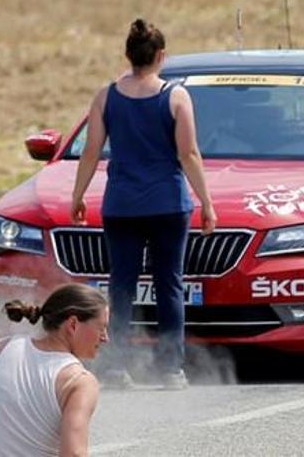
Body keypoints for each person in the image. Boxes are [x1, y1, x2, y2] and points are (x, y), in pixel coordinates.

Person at [70, 19, 217, 390]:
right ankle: (170, 369)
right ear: (161, 56)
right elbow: (189, 154)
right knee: (169, 284)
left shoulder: (106, 97)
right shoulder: (176, 97)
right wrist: (207, 203)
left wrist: (77, 195)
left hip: (121, 206)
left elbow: (90, 152)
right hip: (168, 205)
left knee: (121, 287)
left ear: (128, 56)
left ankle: (117, 366)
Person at [0, 283, 109, 457]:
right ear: (73, 324)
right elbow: (73, 454)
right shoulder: (80, 381)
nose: (106, 337)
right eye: (101, 327)